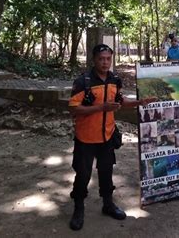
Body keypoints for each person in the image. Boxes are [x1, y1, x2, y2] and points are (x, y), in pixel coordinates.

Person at [68, 44, 156, 231]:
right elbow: (73, 109)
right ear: (94, 60)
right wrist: (101, 108)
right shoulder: (83, 81)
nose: (105, 62)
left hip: (107, 136)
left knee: (106, 172)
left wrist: (140, 103)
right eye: (101, 59)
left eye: (108, 58)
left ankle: (108, 204)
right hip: (85, 138)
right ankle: (78, 208)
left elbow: (119, 102)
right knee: (83, 175)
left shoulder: (115, 80)